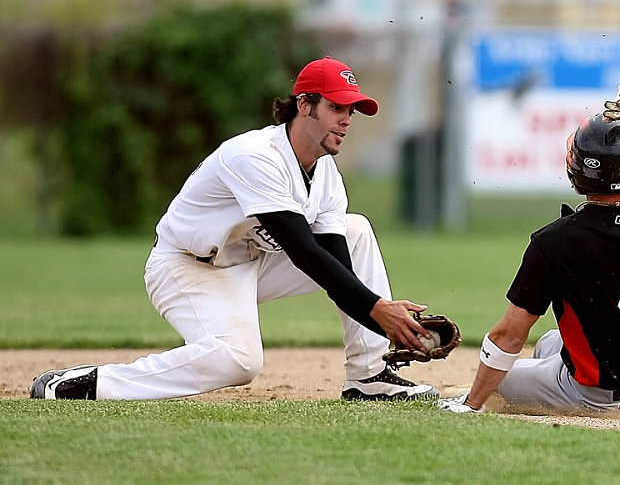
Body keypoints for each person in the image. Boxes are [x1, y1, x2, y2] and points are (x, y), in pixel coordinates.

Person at [30, 56, 438, 401]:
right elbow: (303, 252)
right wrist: (378, 310)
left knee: (356, 230)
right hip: (187, 268)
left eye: (352, 111)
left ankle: (368, 378)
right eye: (337, 108)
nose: (348, 120)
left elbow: (337, 267)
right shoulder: (255, 155)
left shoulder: (326, 173)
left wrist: (391, 324)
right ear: (305, 105)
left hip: (250, 263)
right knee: (240, 360)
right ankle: (87, 384)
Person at [440, 82, 620, 413]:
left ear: (578, 170)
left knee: (497, 378)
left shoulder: (553, 243)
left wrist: (472, 404)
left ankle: (470, 400)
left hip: (596, 396)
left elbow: (509, 336)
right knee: (550, 342)